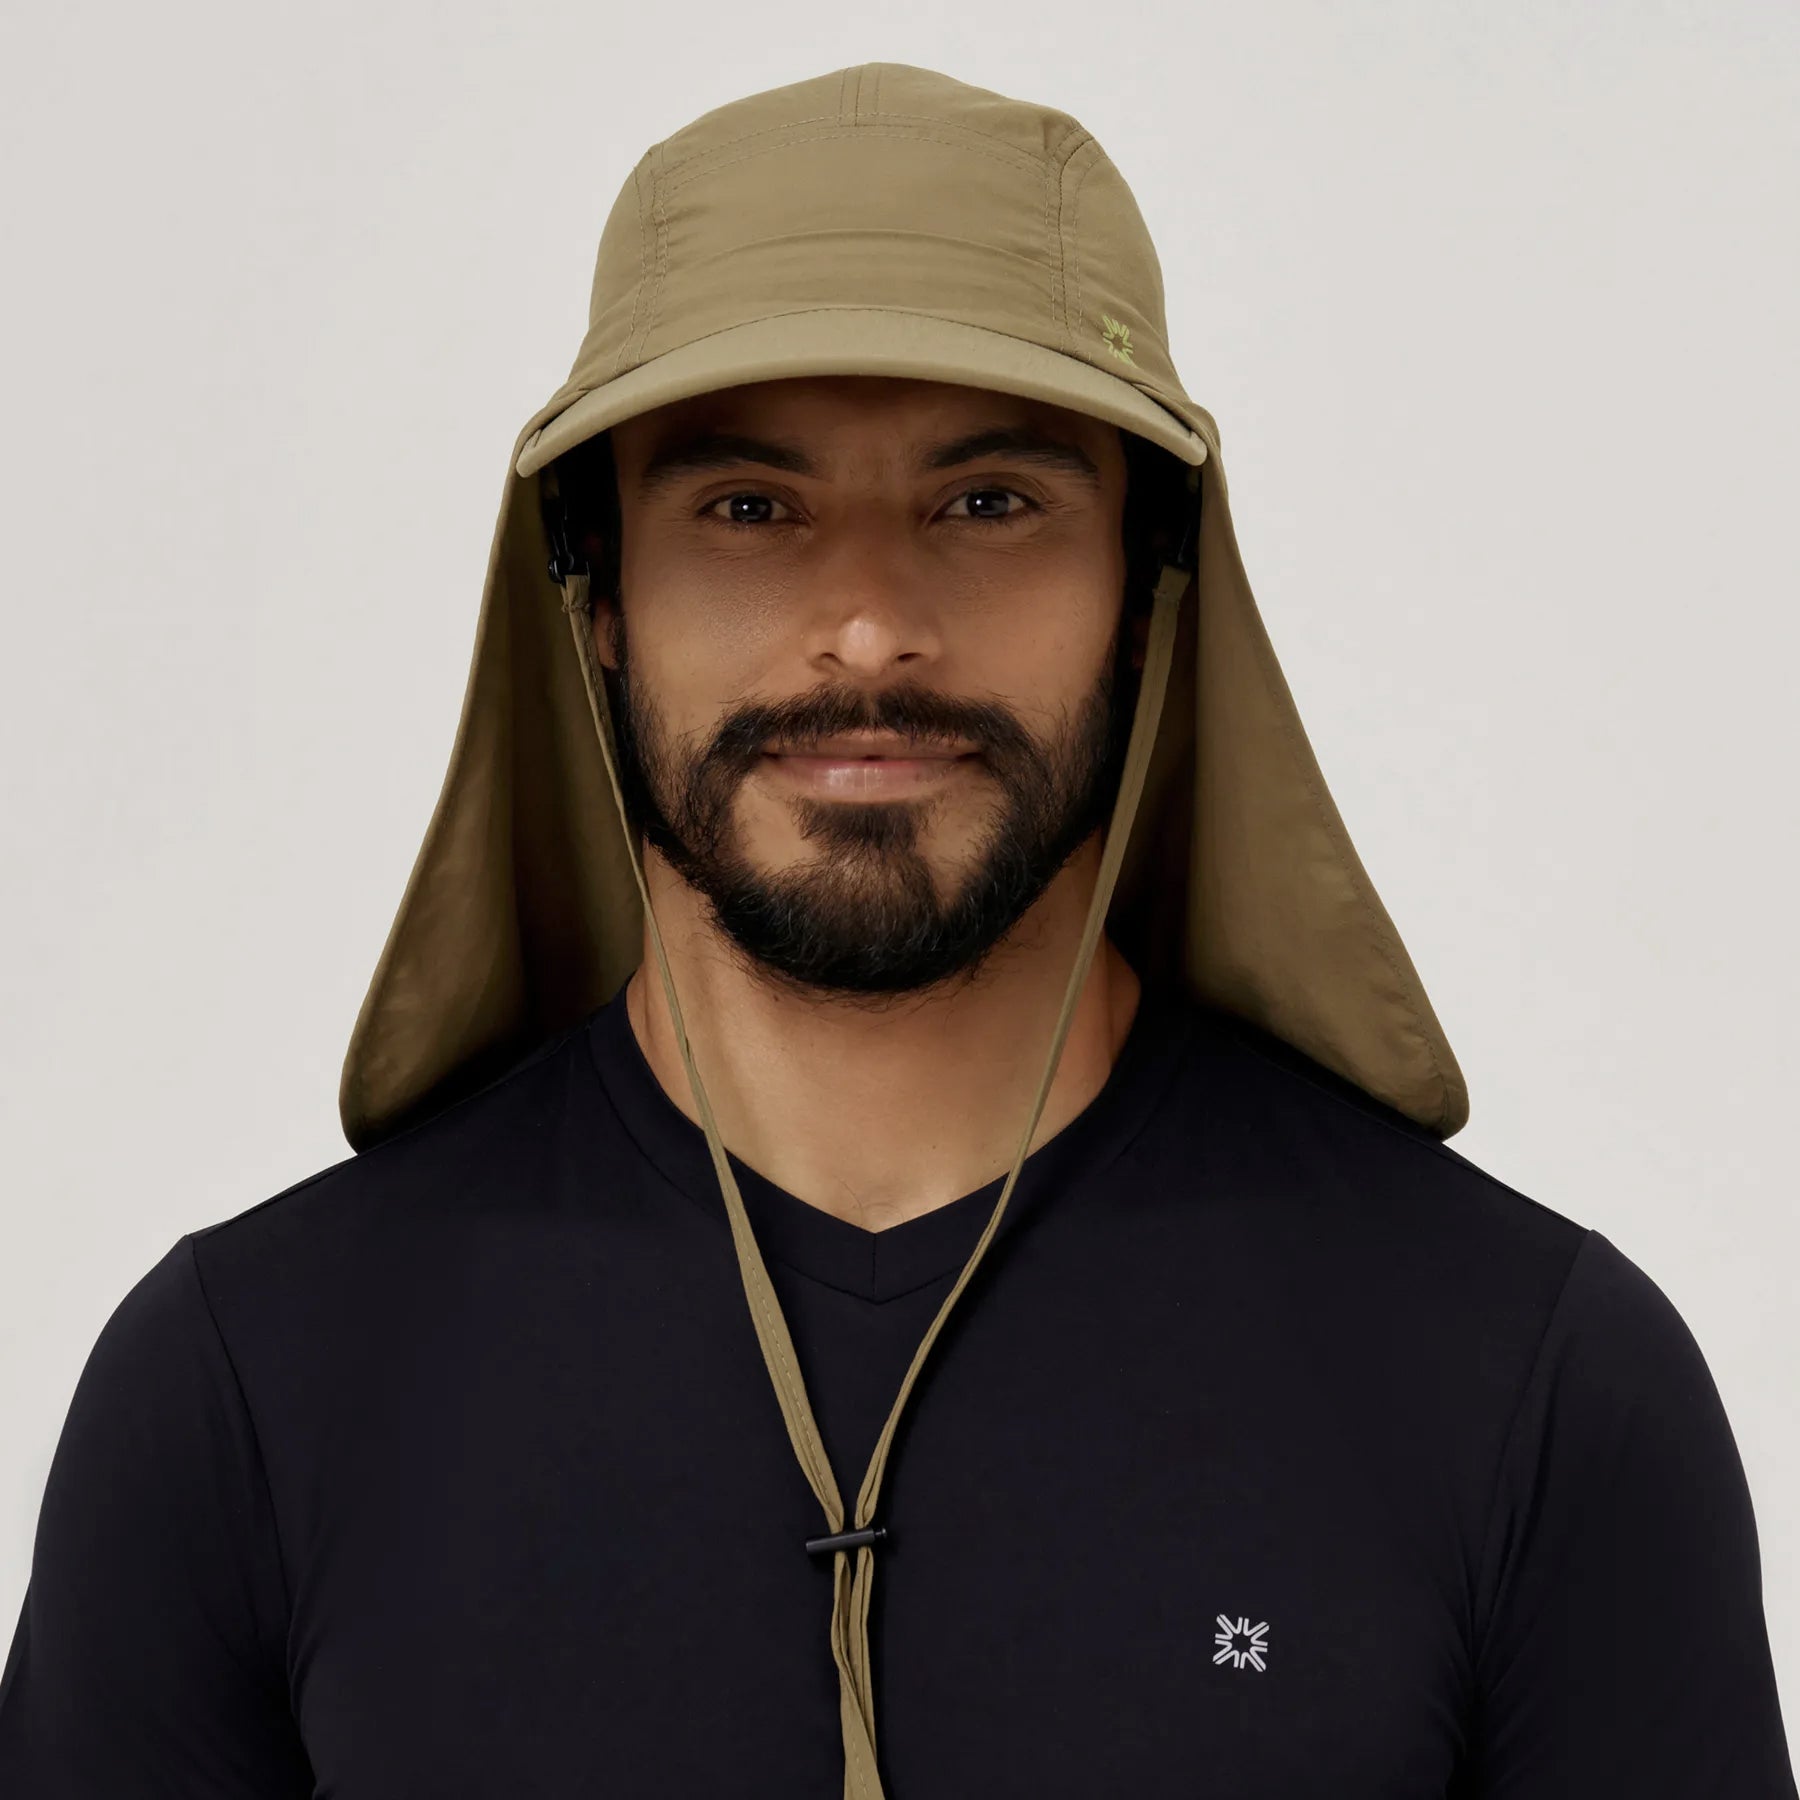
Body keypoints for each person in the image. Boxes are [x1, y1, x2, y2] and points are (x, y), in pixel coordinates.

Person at [0, 60, 1792, 1800]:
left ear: (1151, 585)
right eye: (747, 508)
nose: (867, 628)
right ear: (596, 593)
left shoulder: (1526, 1380)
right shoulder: (250, 1390)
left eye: (990, 503)